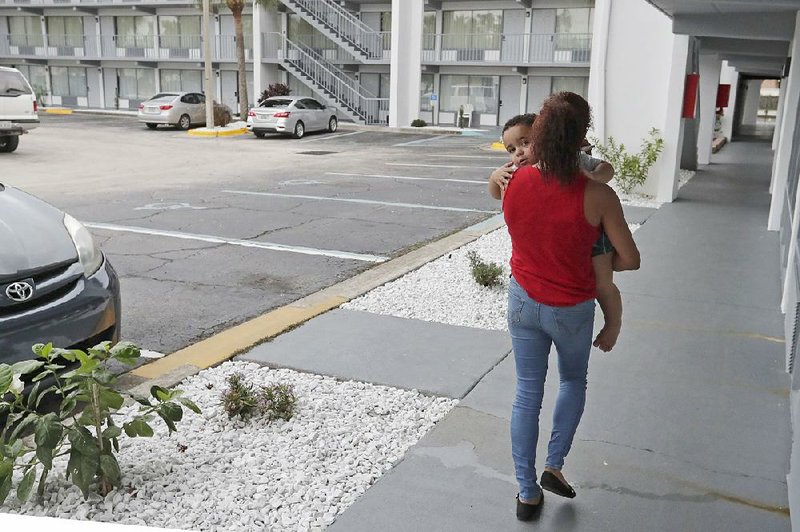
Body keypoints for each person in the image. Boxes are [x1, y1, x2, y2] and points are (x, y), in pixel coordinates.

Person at [501, 93, 640, 521]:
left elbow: (523, 226)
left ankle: (526, 494)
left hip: (522, 300)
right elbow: (630, 259)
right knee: (572, 381)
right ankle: (553, 465)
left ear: (537, 134)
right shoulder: (598, 195)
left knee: (527, 394)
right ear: (582, 137)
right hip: (571, 308)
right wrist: (591, 256)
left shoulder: (515, 179)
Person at [489, 112, 623, 352]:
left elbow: (607, 169)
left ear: (546, 138)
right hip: (554, 248)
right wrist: (493, 177)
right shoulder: (517, 174)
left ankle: (613, 324)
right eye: (511, 149)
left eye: (525, 142)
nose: (518, 153)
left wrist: (593, 177)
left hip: (591, 232)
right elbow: (497, 192)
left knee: (603, 283)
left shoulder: (576, 160)